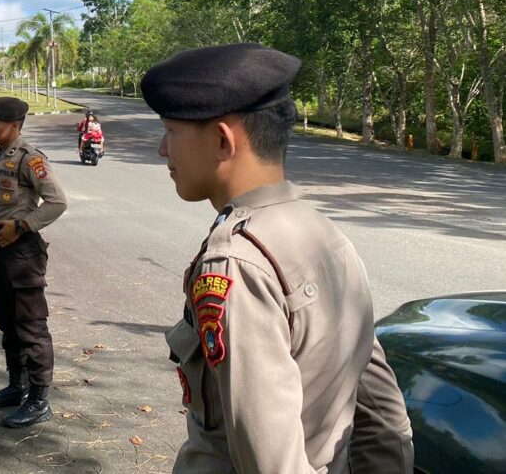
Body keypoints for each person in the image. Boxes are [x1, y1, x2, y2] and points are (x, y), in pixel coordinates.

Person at [140, 43, 414, 473]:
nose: (162, 150)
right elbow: (382, 414)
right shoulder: (327, 236)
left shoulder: (236, 263)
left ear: (222, 140)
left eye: (171, 131)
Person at [0, 95, 68, 429]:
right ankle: (17, 388)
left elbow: (57, 202)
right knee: (6, 321)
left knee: (31, 326)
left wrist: (21, 226)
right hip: (0, 246)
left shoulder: (30, 159)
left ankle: (39, 400)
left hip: (23, 250)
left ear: (13, 125)